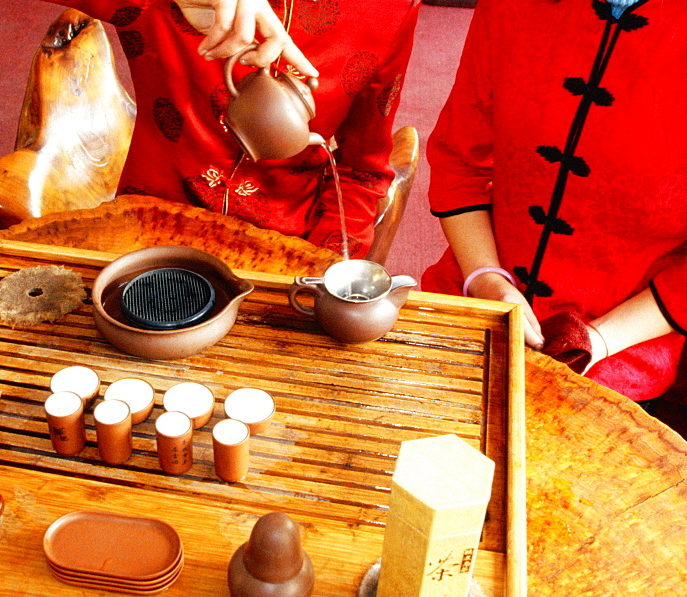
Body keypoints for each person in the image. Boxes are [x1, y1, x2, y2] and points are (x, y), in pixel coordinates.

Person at [422, 0, 687, 404]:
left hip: (624, 350)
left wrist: (597, 340)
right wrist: (486, 278)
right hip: (471, 294)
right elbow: (459, 162)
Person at [40, 0, 421, 257]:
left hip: (285, 245)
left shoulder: (391, 9)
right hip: (147, 226)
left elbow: (363, 169)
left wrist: (326, 265)